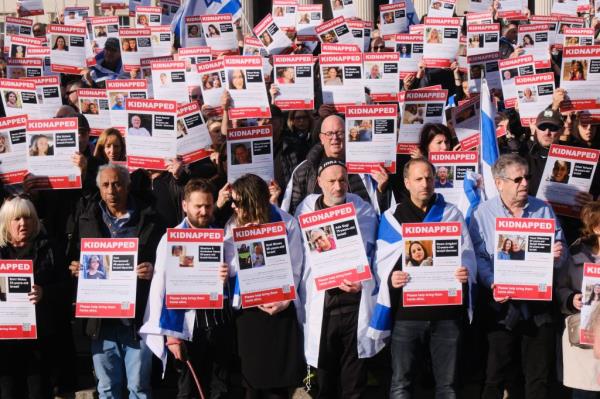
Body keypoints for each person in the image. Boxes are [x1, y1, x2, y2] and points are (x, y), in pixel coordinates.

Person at [370, 158, 475, 398]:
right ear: (406, 182)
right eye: (418, 179)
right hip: (407, 315)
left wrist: (464, 271)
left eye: (429, 178)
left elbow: (468, 255)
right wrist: (390, 279)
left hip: (446, 314)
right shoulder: (392, 217)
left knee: (447, 387)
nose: (425, 184)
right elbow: (381, 263)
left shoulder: (451, 213)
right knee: (401, 384)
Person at [469, 154, 567, 399]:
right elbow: (478, 257)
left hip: (538, 306)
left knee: (538, 377)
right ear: (499, 182)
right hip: (501, 306)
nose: (525, 183)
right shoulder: (482, 213)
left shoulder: (543, 209)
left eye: (528, 177)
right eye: (518, 179)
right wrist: (492, 282)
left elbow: (560, 249)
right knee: (496, 375)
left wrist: (557, 255)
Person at [67, 164, 164, 399]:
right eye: (106, 185)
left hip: (137, 319)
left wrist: (153, 269)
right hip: (101, 321)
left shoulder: (150, 218)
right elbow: (73, 258)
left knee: (139, 389)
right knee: (107, 388)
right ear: (99, 188)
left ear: (128, 185)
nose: (112, 190)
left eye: (117, 184)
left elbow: (166, 260)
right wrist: (75, 268)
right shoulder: (87, 218)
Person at [295, 159, 380, 399]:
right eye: (331, 181)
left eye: (342, 180)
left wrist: (362, 281)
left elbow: (373, 254)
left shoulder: (362, 210)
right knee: (325, 384)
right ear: (319, 182)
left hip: (354, 305)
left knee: (354, 384)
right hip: (324, 307)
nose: (337, 186)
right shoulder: (305, 211)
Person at [140, 179, 233, 399]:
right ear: (185, 206)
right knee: (189, 391)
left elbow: (233, 282)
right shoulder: (170, 240)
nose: (203, 211)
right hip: (189, 330)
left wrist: (227, 277)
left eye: (208, 206)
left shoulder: (222, 237)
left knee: (221, 390)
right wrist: (172, 337)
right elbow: (160, 290)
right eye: (197, 206)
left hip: (219, 325)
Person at [223, 174, 304, 398]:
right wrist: (244, 241)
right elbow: (229, 269)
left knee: (279, 383)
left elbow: (296, 266)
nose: (232, 206)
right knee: (253, 384)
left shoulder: (286, 222)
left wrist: (285, 300)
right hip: (249, 312)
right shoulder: (232, 226)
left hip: (280, 309)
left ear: (252, 201)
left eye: (237, 201)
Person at [0, 196, 69, 399]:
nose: (24, 223)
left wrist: (45, 292)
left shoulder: (50, 248)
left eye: (29, 218)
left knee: (39, 391)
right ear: (6, 222)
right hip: (5, 343)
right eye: (17, 218)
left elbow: (66, 287)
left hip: (41, 339)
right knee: (8, 392)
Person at [557, 201, 600, 396]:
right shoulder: (576, 252)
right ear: (596, 227)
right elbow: (561, 287)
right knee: (585, 392)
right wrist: (571, 299)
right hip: (585, 337)